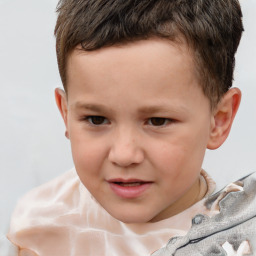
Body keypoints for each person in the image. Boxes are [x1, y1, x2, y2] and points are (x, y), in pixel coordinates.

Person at [7, 0, 256, 255]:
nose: (124, 155)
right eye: (96, 119)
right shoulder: (39, 235)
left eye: (158, 121)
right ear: (66, 113)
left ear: (219, 120)